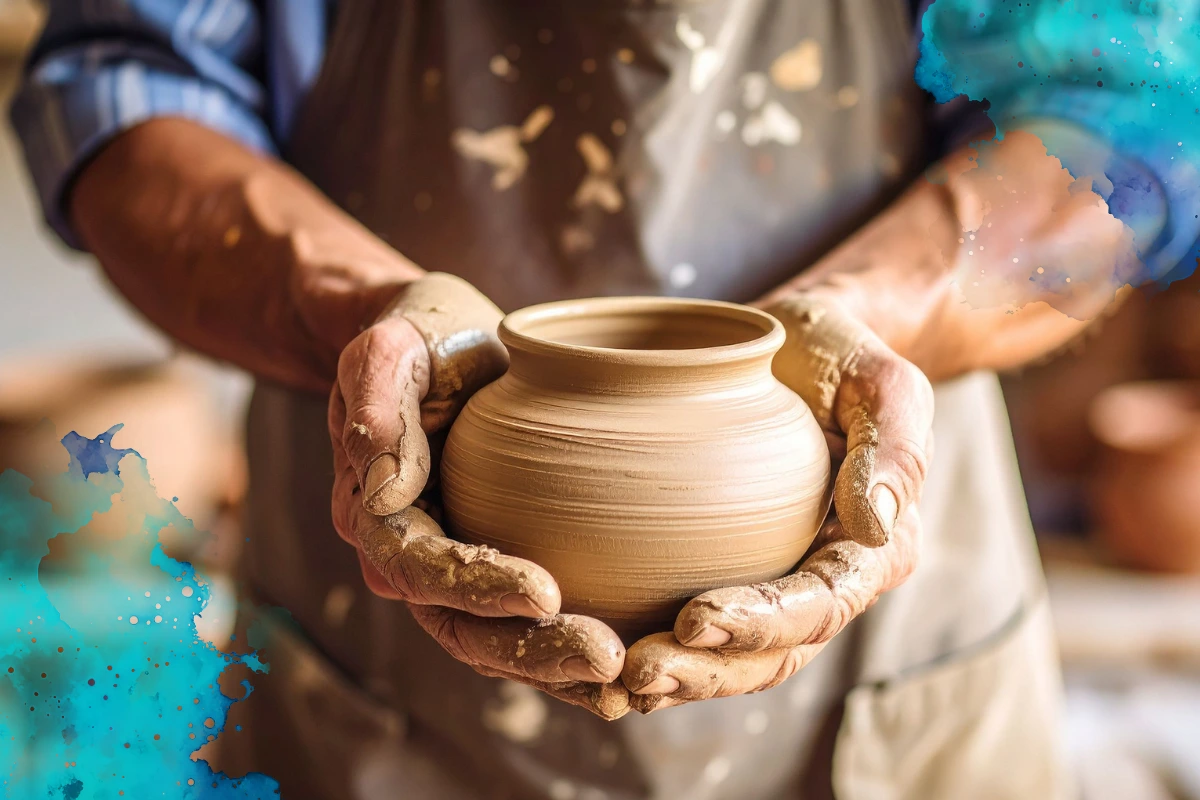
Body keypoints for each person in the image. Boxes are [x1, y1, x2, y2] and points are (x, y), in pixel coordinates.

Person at [9, 2, 1191, 798]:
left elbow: (1126, 109)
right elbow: (124, 83)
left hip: (892, 652)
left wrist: (869, 317)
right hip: (375, 649)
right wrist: (362, 310)